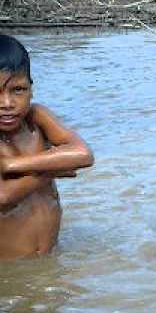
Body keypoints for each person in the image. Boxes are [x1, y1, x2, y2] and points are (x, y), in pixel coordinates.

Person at [0, 34, 94, 259]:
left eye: (18, 90)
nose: (7, 103)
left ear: (31, 89)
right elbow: (3, 197)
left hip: (48, 261)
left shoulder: (36, 118)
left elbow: (83, 154)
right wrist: (50, 171)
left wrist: (12, 165)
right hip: (11, 270)